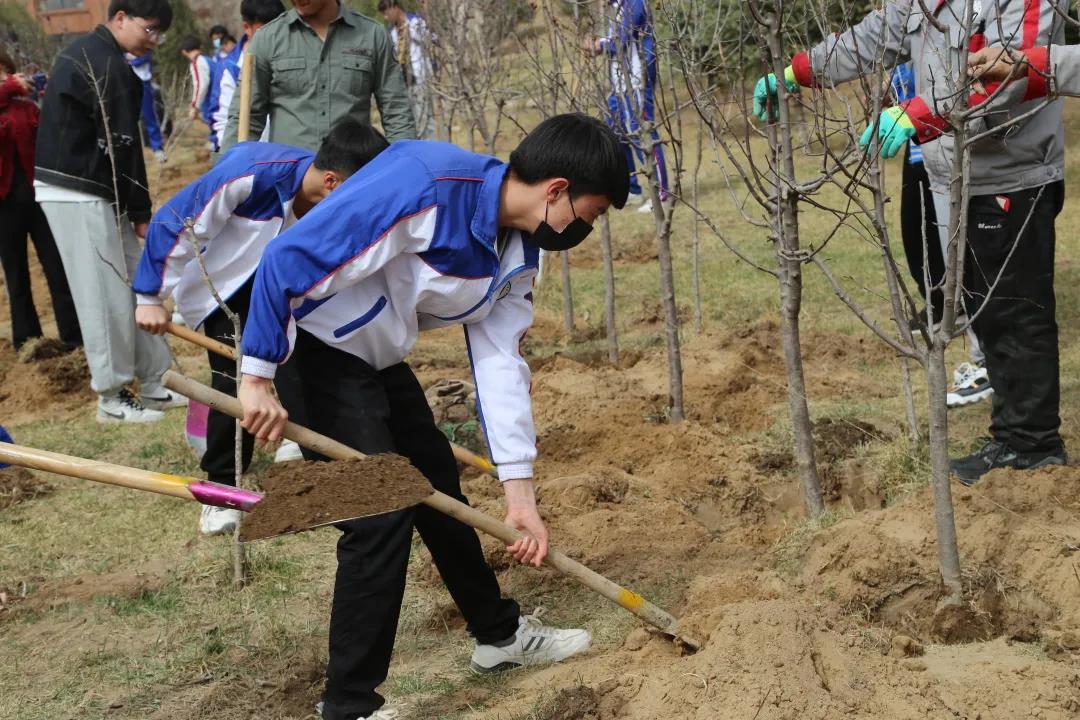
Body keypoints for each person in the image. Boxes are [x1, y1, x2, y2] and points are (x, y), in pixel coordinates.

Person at [237, 113, 627, 720]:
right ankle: (347, 707)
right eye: (590, 214)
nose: (587, 228)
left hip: (377, 359)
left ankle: (498, 637)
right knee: (380, 514)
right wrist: (257, 376)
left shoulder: (520, 250)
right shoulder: (425, 184)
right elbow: (288, 259)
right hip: (312, 352)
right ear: (556, 190)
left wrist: (519, 493)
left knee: (440, 486)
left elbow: (501, 363)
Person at [753, 1, 1067, 485]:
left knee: (1015, 314)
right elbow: (873, 36)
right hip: (955, 171)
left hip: (1012, 173)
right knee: (987, 311)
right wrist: (799, 71)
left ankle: (1032, 445)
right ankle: (1014, 438)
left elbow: (1015, 73)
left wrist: (921, 114)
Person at [132, 120, 388, 536]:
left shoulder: (330, 205)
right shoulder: (254, 174)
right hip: (223, 293)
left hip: (284, 294)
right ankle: (220, 490)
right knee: (232, 383)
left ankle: (326, 481)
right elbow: (176, 221)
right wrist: (149, 295)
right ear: (331, 180)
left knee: (301, 375)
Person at [35, 0, 185, 423]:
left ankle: (158, 380)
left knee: (133, 283)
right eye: (149, 30)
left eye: (159, 35)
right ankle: (111, 396)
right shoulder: (108, 67)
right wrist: (141, 209)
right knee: (102, 293)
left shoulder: (93, 54)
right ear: (120, 18)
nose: (153, 42)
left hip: (96, 188)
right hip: (75, 189)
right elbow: (125, 146)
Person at [890, 62, 992, 410]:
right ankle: (945, 307)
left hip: (949, 136)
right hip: (919, 139)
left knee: (964, 249)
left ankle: (987, 362)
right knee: (920, 235)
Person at [221, 0, 416, 153]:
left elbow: (396, 111)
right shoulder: (267, 39)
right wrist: (227, 177)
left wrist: (405, 167)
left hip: (352, 182)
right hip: (290, 185)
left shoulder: (373, 35)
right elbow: (245, 117)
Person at [0, 48, 81, 352]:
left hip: (38, 197)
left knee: (56, 267)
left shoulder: (28, 109)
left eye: (5, 73)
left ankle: (73, 336)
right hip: (4, 204)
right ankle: (27, 341)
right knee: (16, 273)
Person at [589, 0, 668, 214]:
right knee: (613, 131)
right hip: (619, 85)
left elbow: (621, 39)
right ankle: (631, 188)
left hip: (637, 82)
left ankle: (661, 192)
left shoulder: (635, 3)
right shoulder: (617, 7)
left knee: (641, 132)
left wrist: (600, 45)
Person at [211, 0, 284, 153]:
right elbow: (221, 120)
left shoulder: (290, 59)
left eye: (277, 31)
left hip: (284, 156)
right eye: (263, 31)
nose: (271, 38)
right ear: (247, 27)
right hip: (249, 159)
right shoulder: (229, 67)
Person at [378, 0, 435, 139]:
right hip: (404, 82)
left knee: (426, 120)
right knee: (411, 121)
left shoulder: (416, 22)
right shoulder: (392, 32)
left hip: (420, 77)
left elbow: (432, 38)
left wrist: (414, 31)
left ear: (395, 7)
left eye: (386, 13)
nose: (386, 18)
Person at [127, 50, 167, 162]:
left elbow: (140, 59)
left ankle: (157, 147)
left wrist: (129, 61)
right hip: (126, 82)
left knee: (149, 116)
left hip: (143, 83)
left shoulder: (143, 41)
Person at [180, 36, 216, 149]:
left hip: (213, 102)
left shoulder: (197, 62)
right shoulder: (207, 60)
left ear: (184, 52)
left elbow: (201, 85)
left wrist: (194, 106)